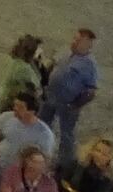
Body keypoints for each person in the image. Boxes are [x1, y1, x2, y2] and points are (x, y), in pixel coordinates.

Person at [41, 28, 99, 164]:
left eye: (78, 41)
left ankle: (64, 162)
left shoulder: (89, 64)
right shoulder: (67, 52)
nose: (73, 42)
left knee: (66, 133)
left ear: (88, 45)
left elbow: (91, 91)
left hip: (68, 103)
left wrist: (75, 105)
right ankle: (39, 150)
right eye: (74, 38)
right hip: (51, 97)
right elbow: (53, 64)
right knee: (42, 124)